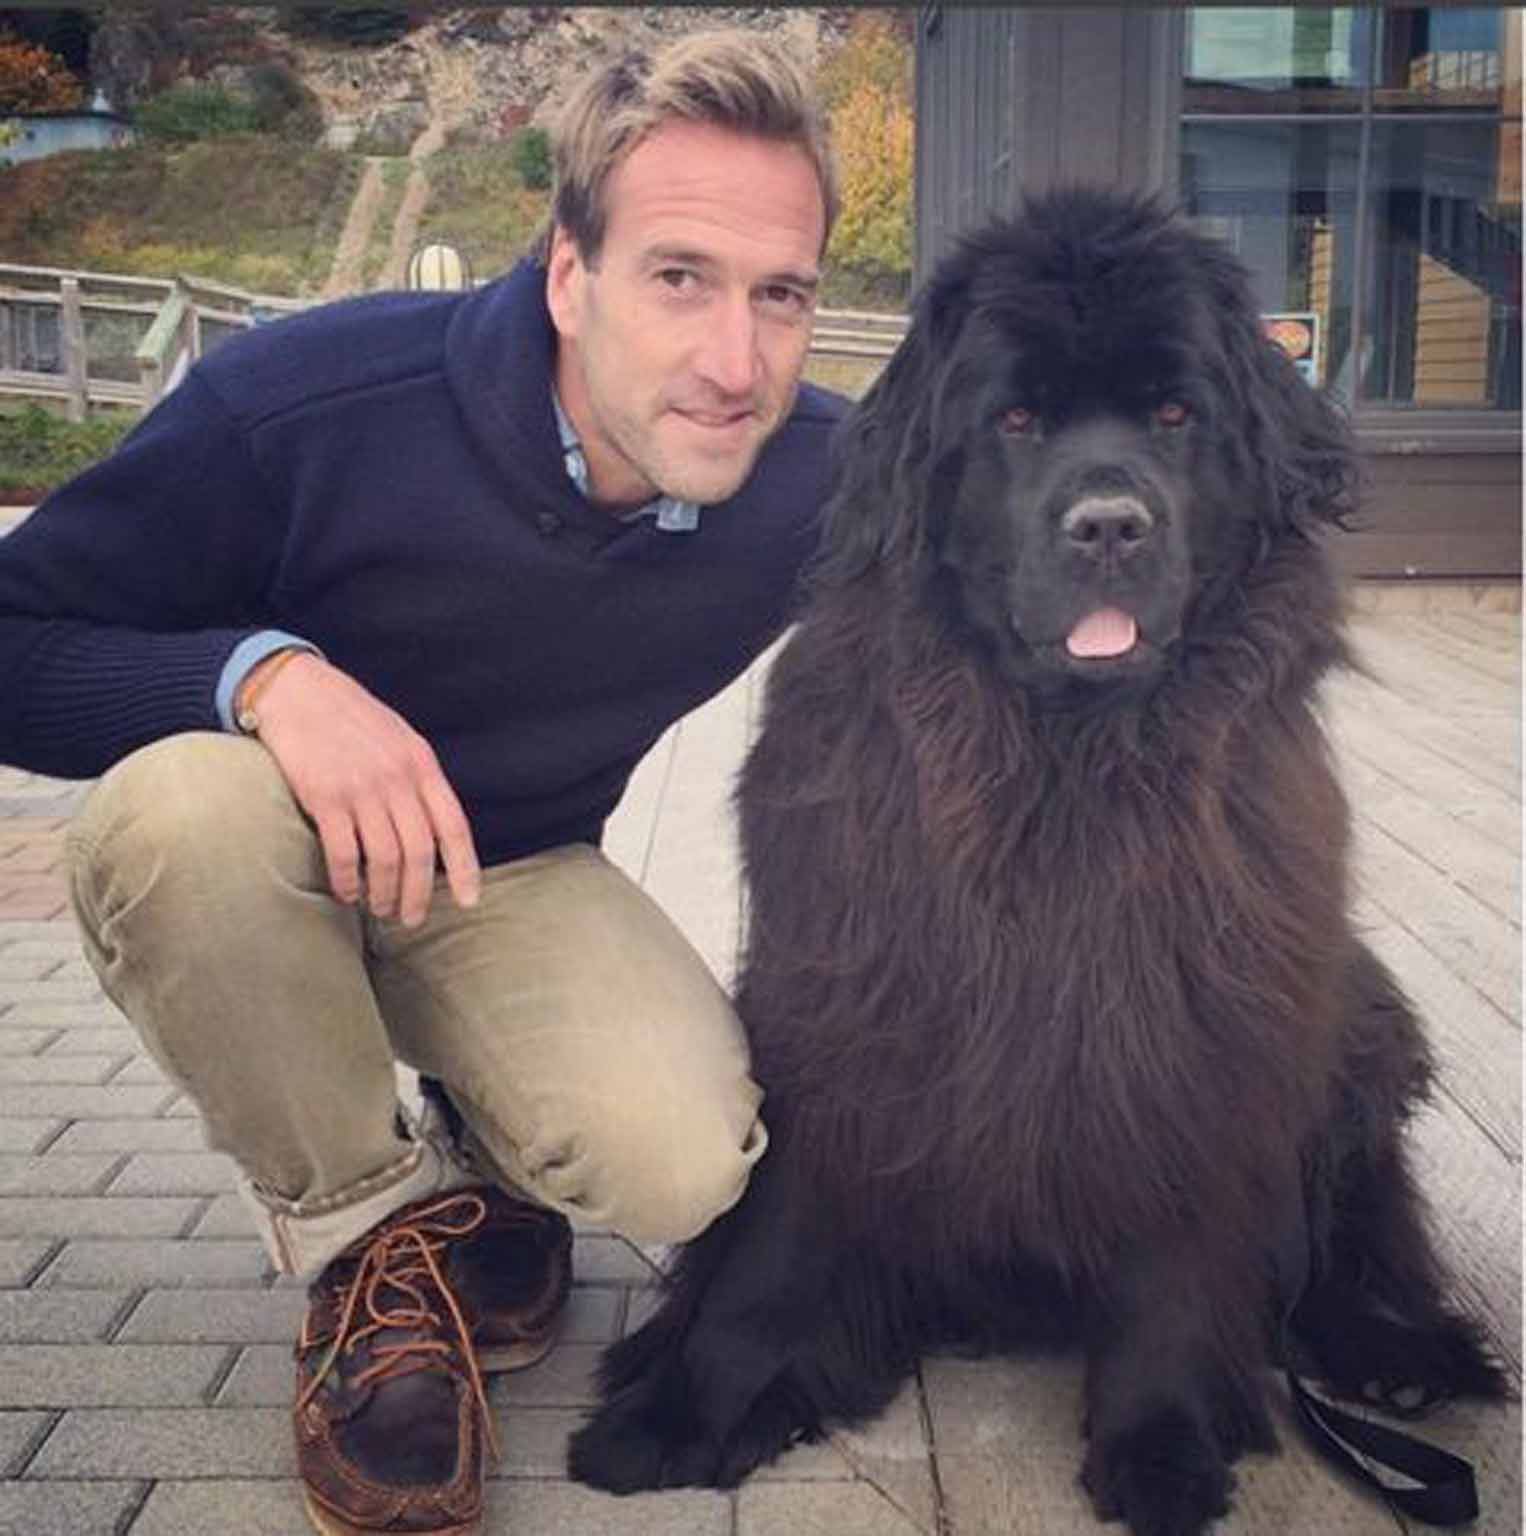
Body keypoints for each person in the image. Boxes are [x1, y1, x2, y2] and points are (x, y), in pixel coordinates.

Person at [0, 29, 843, 1536]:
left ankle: (476, 1138)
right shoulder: (306, 405)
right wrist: (265, 675)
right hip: (255, 854)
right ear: (565, 273)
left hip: (500, 872)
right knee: (181, 810)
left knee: (687, 1163)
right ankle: (363, 1248)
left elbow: (1029, 540)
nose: (735, 358)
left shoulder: (815, 475)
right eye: (677, 277)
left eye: (778, 294)